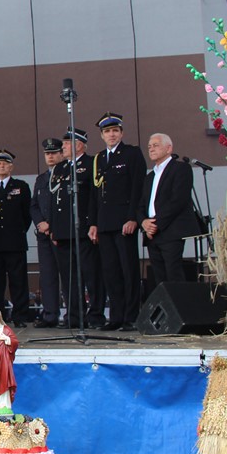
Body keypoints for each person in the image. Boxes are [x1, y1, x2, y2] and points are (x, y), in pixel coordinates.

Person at [89, 113, 146, 332]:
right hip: (104, 223)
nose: (111, 135)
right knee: (110, 272)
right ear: (102, 136)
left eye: (115, 131)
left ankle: (131, 317)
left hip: (124, 222)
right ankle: (116, 316)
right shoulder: (99, 159)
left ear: (121, 133)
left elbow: (137, 187)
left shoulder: (131, 153)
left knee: (128, 270)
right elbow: (95, 194)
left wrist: (133, 217)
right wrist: (93, 223)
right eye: (107, 132)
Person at [50, 130, 104, 329]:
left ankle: (95, 315)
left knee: (91, 275)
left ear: (79, 145)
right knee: (69, 277)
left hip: (84, 229)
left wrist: (94, 223)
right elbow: (54, 200)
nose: (63, 147)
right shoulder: (60, 167)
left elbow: (95, 197)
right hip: (63, 231)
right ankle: (74, 316)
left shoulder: (91, 163)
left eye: (67, 143)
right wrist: (54, 227)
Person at [138, 133, 201, 283]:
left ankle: (179, 300)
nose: (151, 149)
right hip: (152, 233)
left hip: (171, 230)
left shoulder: (181, 169)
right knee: (159, 277)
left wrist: (155, 224)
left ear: (168, 148)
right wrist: (143, 222)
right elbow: (141, 204)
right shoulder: (150, 177)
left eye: (156, 145)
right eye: (149, 146)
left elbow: (178, 200)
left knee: (173, 273)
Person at [0, 150, 32, 324]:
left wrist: (17, 231)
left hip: (15, 241)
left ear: (11, 167)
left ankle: (20, 316)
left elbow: (27, 215)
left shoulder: (21, 187)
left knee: (18, 281)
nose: (2, 166)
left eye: (5, 163)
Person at [30, 138, 65, 327]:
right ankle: (50, 314)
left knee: (66, 275)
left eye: (54, 153)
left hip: (60, 234)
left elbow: (63, 205)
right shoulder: (41, 178)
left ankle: (72, 315)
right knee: (47, 275)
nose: (50, 157)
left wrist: (52, 225)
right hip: (43, 234)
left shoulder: (66, 174)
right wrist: (40, 223)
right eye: (47, 154)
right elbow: (34, 205)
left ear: (61, 154)